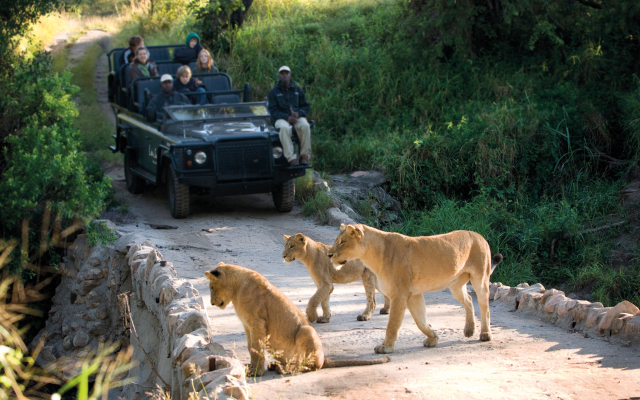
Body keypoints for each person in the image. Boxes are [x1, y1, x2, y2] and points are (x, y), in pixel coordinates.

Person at [267, 66, 311, 166]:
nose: (285, 75)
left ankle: (304, 156)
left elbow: (306, 106)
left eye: (286, 73)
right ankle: (291, 158)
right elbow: (273, 111)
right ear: (279, 75)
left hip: (296, 117)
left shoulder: (298, 90)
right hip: (281, 118)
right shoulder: (274, 92)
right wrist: (287, 117)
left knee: (305, 125)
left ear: (290, 74)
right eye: (282, 73)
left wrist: (298, 113)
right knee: (284, 128)